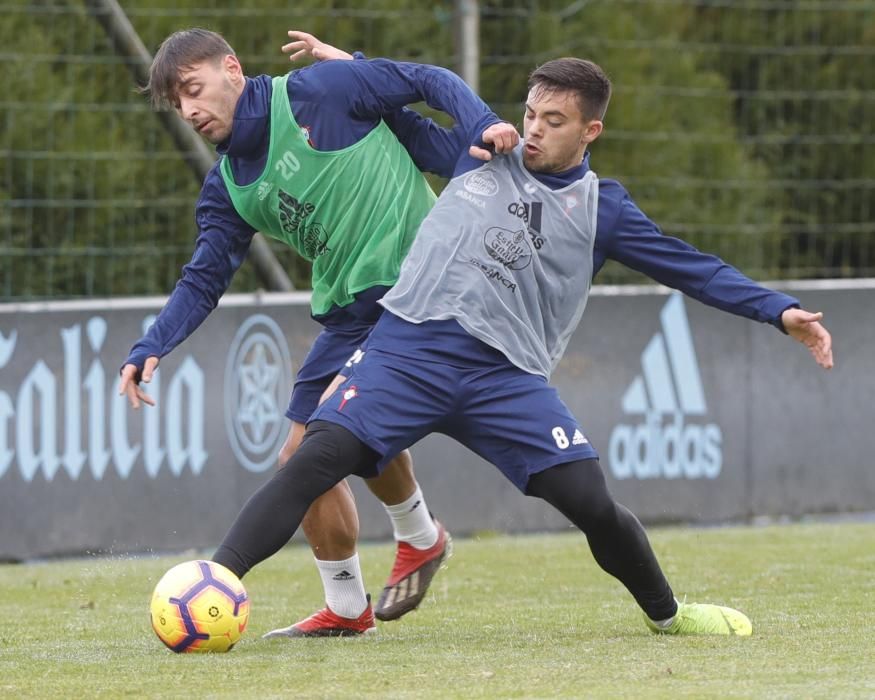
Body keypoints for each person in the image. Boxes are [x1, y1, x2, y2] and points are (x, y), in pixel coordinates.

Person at [210, 51, 834, 637]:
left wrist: (779, 310)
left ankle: (670, 617)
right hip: (406, 352)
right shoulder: (477, 151)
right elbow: (391, 111)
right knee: (314, 460)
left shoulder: (601, 210)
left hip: (504, 379)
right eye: (531, 113)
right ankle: (212, 583)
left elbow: (692, 267)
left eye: (554, 121)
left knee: (592, 503)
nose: (533, 130)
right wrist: (350, 65)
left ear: (591, 131)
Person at [117, 28, 519, 637]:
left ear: (232, 68)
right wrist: (153, 343)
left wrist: (482, 123)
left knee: (307, 450)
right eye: (178, 104)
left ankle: (359, 596)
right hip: (350, 311)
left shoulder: (318, 91)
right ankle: (408, 548)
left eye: (194, 90)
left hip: (418, 286)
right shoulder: (228, 187)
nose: (190, 111)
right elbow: (203, 280)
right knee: (335, 442)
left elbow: (429, 80)